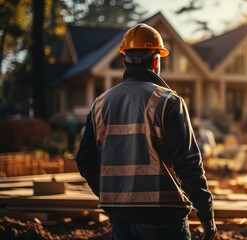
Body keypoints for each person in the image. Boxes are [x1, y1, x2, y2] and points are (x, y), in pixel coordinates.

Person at [75, 23, 216, 240]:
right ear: (156, 61)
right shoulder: (169, 102)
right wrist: (206, 215)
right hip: (165, 221)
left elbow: (85, 160)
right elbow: (188, 164)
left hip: (121, 221)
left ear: (124, 61)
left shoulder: (100, 104)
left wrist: (109, 195)